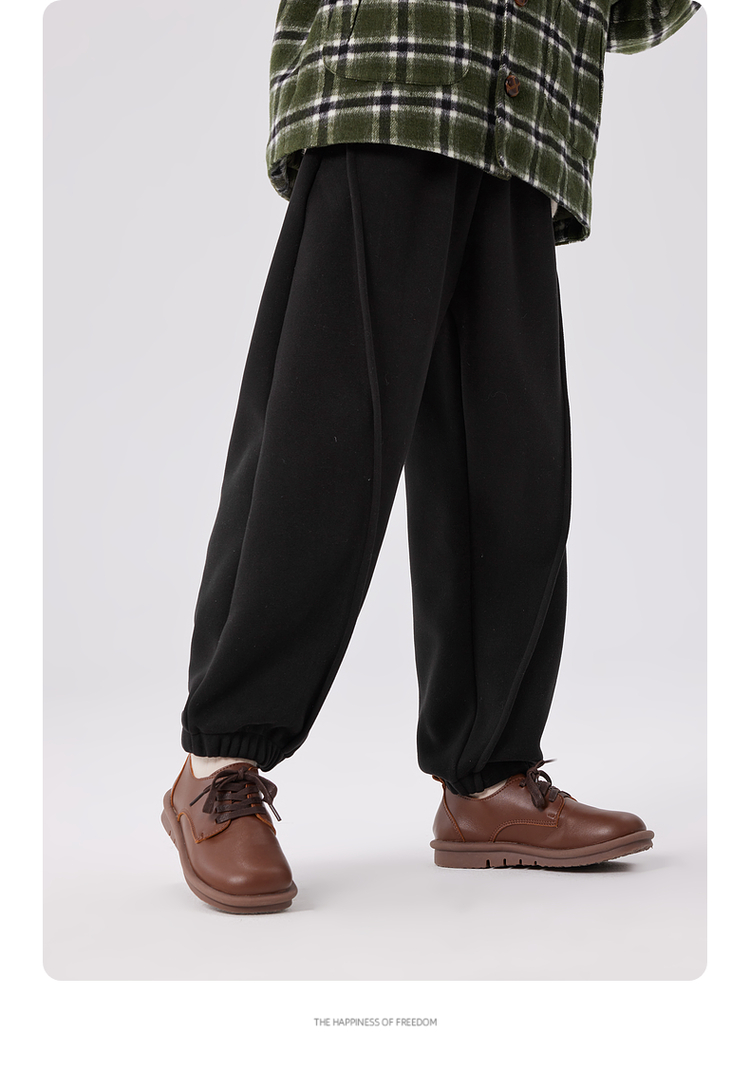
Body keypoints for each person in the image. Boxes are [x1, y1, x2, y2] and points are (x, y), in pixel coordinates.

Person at [161, 0, 702, 913]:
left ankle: (486, 779)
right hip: (397, 61)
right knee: (322, 444)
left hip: (528, 104)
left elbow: (637, 15)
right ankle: (216, 765)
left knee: (514, 465)